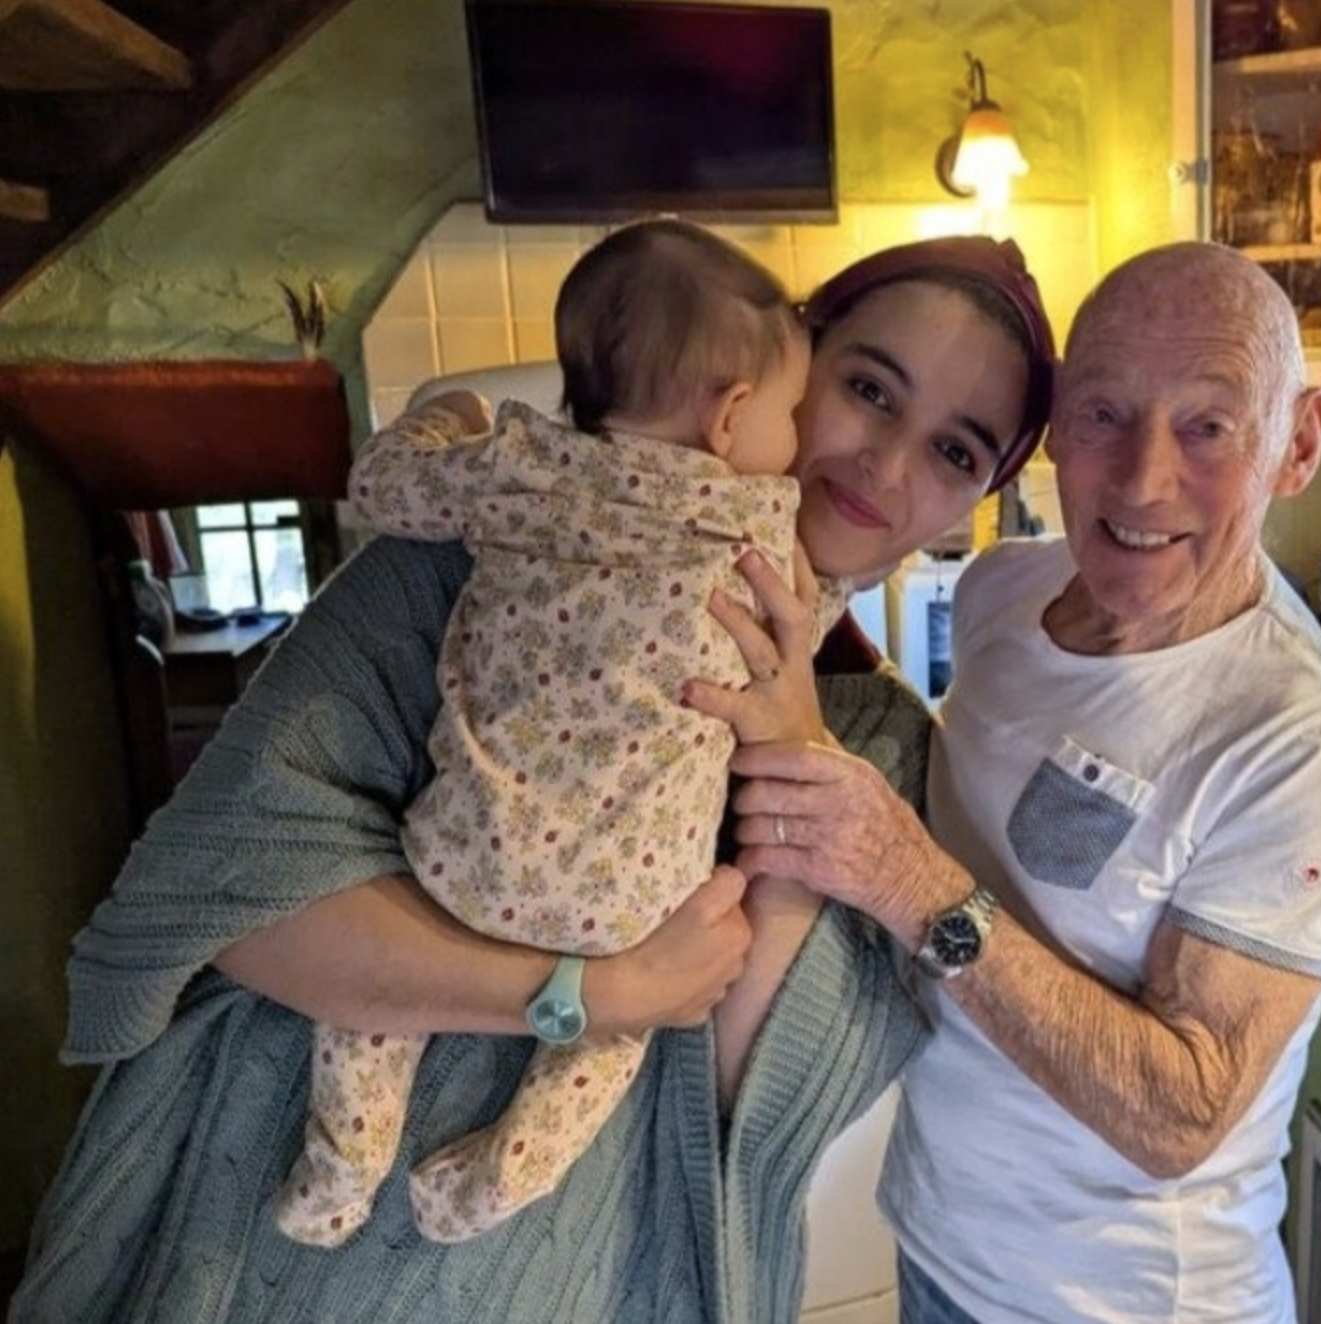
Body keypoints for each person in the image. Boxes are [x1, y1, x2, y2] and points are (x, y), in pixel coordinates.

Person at [9, 234, 1055, 1324]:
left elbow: (745, 1111)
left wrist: (794, 761)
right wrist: (590, 995)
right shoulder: (491, 553)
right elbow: (233, 895)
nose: (887, 464)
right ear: (772, 375)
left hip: (579, 1280)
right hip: (275, 1242)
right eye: (869, 389)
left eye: (955, 451)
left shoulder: (881, 751)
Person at [720, 242, 1321, 1324]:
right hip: (938, 1249)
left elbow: (1180, 1114)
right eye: (1102, 414)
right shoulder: (1001, 592)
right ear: (1056, 430)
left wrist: (906, 878)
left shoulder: (1301, 731)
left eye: (1208, 427)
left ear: (1297, 442)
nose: (1141, 480)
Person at [281, 219, 843, 1247]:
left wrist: (447, 415)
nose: (797, 437)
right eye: (792, 410)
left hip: (468, 858)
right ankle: (501, 1175)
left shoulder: (517, 467)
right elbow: (799, 626)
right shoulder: (756, 525)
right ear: (729, 417)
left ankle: (340, 1170)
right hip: (634, 903)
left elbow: (379, 484)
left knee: (375, 1012)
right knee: (608, 1045)